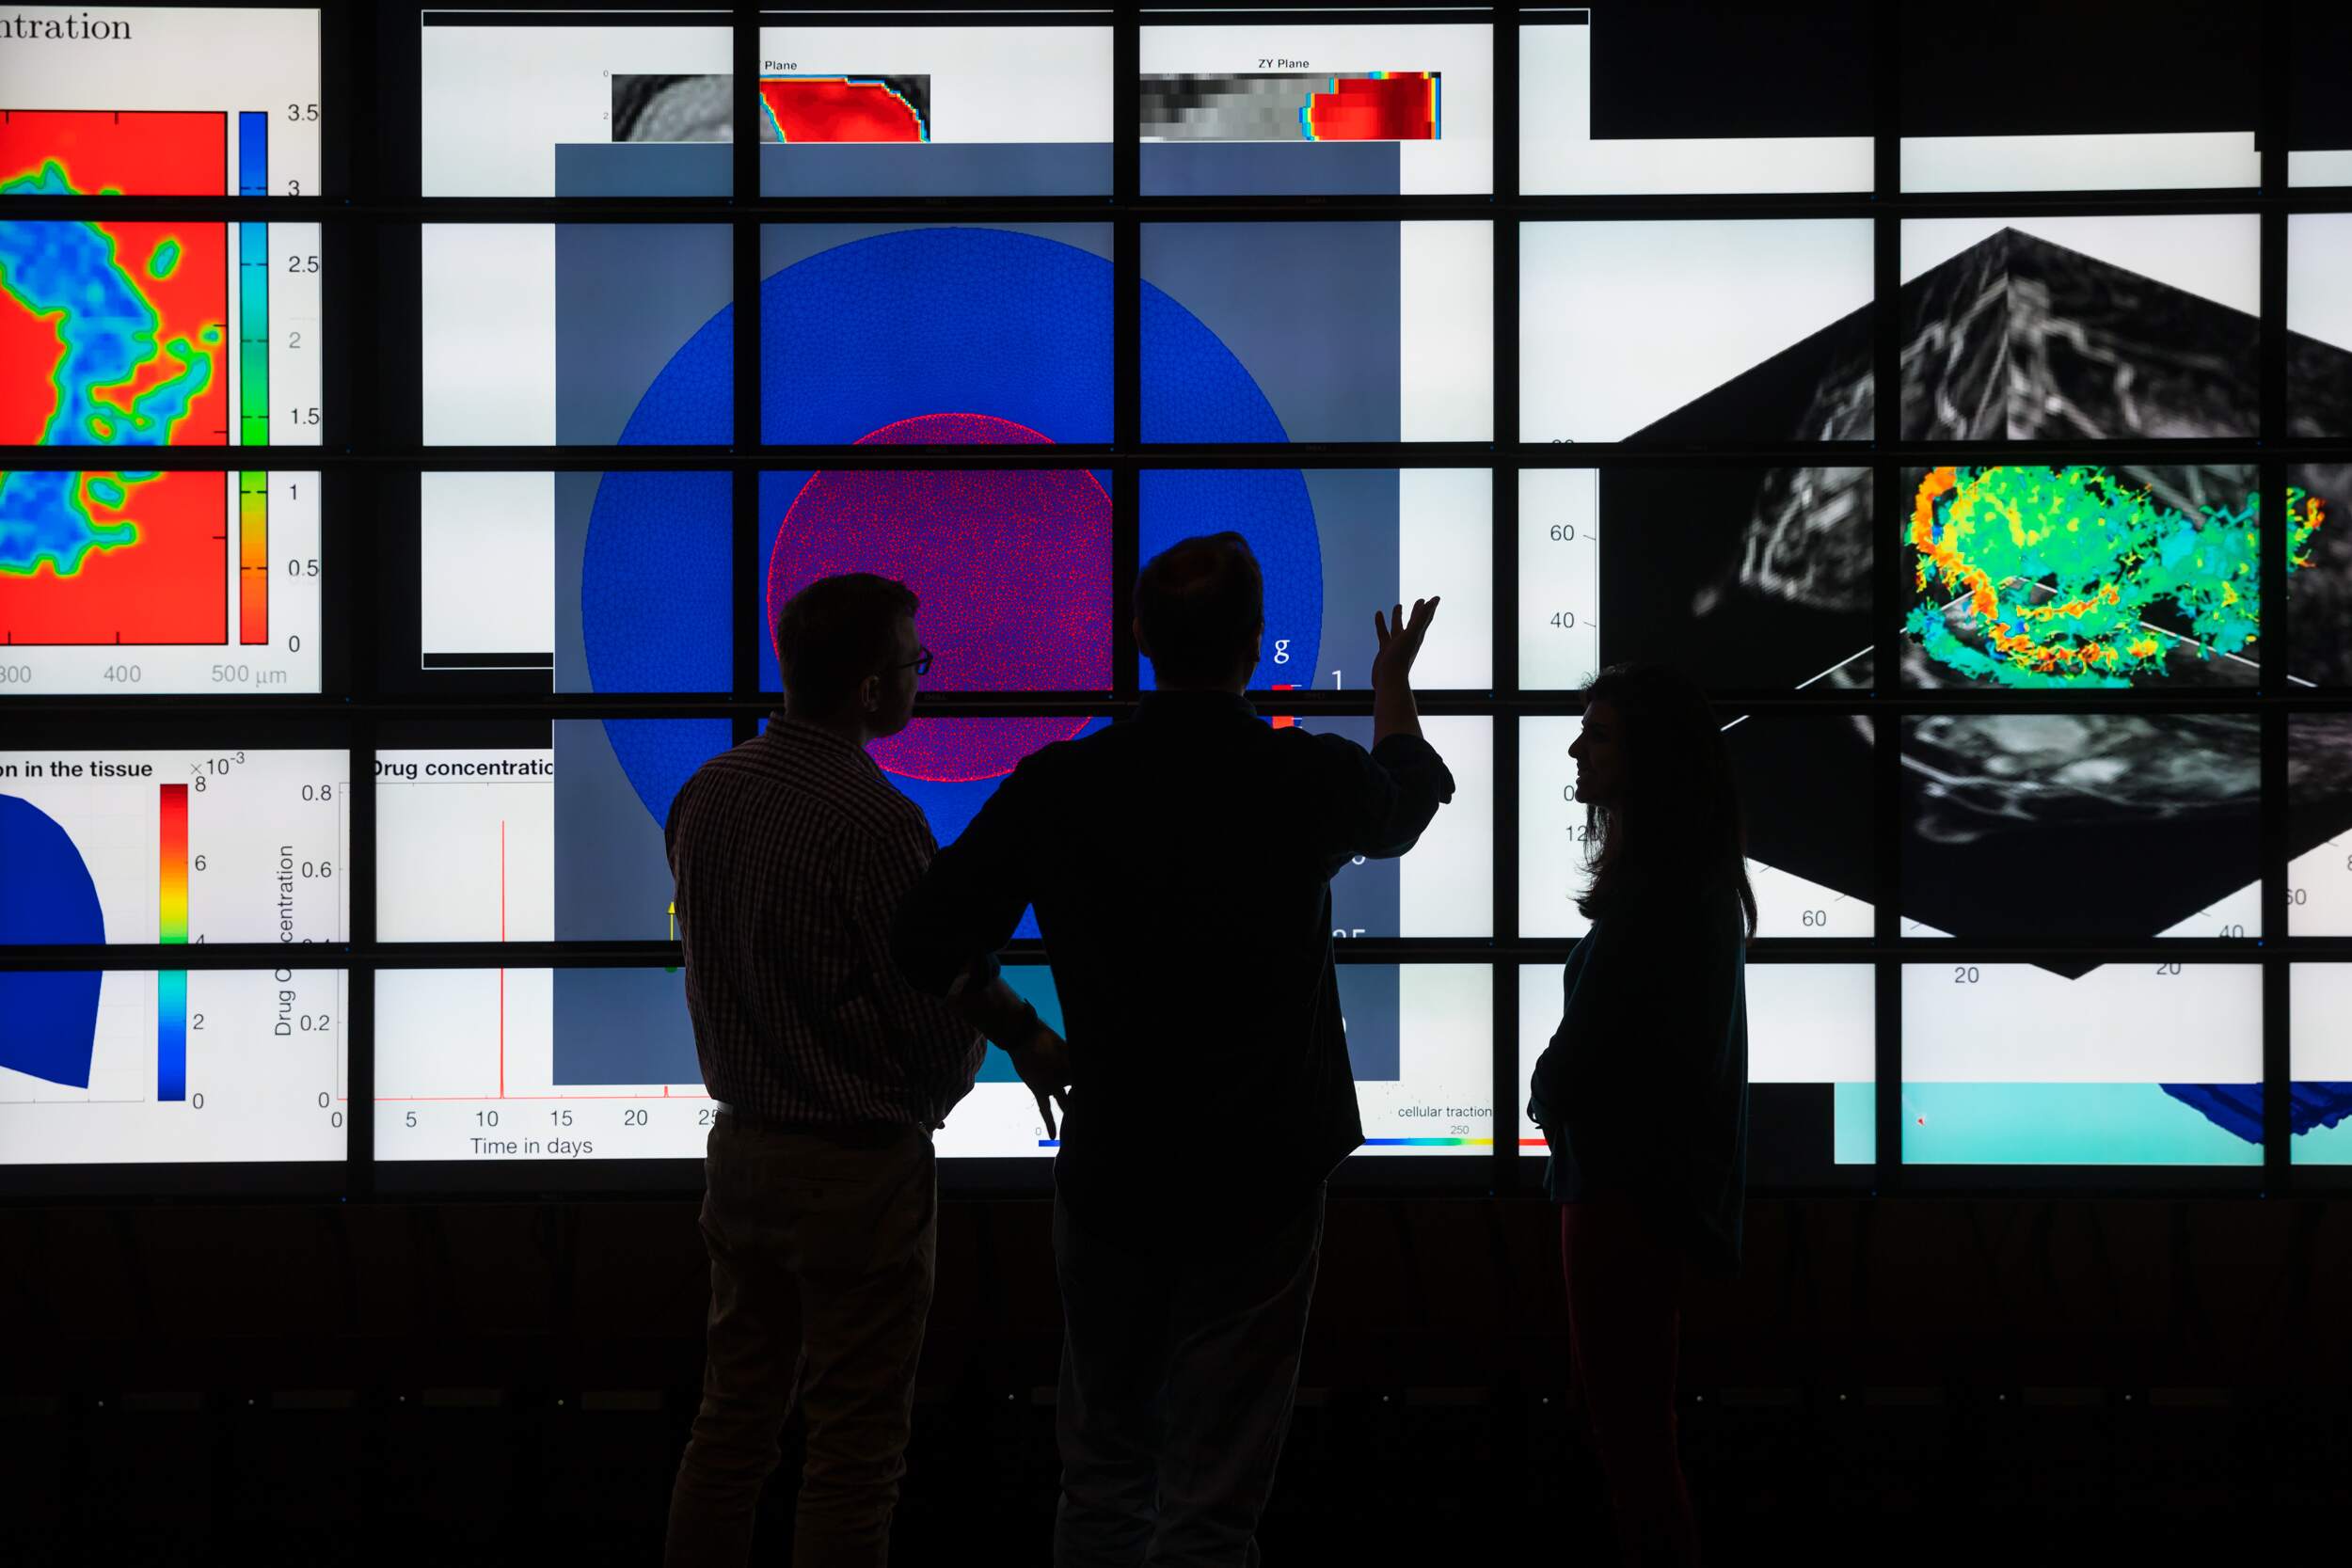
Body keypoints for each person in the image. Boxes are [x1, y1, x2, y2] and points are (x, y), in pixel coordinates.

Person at [891, 532, 1454, 1567]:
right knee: (1214, 1493)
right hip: (1265, 1166)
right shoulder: (1300, 774)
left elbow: (926, 934)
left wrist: (1022, 1031)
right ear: (1252, 644)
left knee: (1105, 1475)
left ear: (1141, 636)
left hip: (1118, 1161)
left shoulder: (1063, 784)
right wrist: (1389, 684)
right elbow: (1408, 796)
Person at [662, 572, 1070, 1568]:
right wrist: (995, 1048)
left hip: (742, 1155)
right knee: (854, 1449)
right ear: (869, 690)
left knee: (729, 1426)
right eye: (913, 662)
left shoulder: (705, 794)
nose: (920, 678)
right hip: (857, 1169)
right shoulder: (878, 822)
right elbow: (934, 991)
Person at [1526, 663, 1755, 1568]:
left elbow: (1593, 1049)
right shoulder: (1691, 886)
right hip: (1643, 1197)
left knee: (1630, 1443)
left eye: (1601, 733)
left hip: (1621, 1199)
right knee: (1630, 1431)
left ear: (1649, 758)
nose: (1578, 747)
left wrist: (1548, 1088)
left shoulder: (1656, 896)